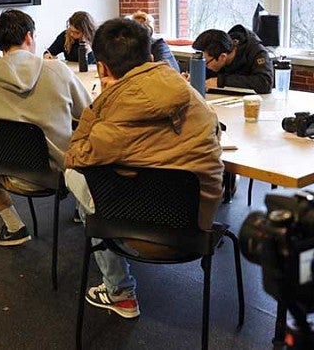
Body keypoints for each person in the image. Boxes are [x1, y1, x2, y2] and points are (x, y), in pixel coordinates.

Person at [64, 18, 224, 319]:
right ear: (151, 58)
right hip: (196, 230)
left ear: (103, 69)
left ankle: (119, 291)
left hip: (138, 234)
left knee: (77, 174)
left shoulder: (113, 111)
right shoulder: (194, 98)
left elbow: (74, 156)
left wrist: (98, 106)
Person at [0, 10, 92, 246]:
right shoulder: (58, 71)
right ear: (29, 37)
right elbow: (89, 114)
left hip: (8, 168)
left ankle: (14, 226)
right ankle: (81, 206)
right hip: (58, 172)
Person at [192, 26, 273, 94]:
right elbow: (209, 72)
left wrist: (222, 81)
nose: (205, 66)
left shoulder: (257, 52)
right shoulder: (219, 47)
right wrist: (194, 75)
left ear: (222, 57)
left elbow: (264, 83)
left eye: (206, 63)